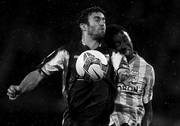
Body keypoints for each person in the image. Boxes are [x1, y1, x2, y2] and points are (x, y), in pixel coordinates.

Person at [7, 7, 129, 126]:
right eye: (97, 19)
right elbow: (40, 73)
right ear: (83, 26)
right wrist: (20, 88)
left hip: (105, 121)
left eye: (104, 20)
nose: (102, 23)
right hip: (74, 120)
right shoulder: (67, 52)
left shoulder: (114, 54)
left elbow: (125, 74)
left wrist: (122, 76)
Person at [105, 24, 155, 126]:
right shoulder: (105, 66)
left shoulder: (147, 69)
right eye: (118, 43)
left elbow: (148, 109)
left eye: (125, 39)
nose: (124, 45)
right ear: (112, 48)